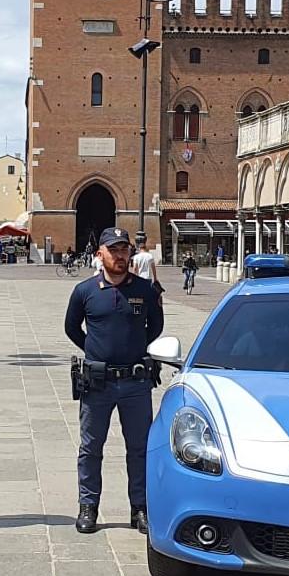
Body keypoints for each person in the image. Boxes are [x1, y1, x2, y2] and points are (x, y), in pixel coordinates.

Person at [64, 227, 165, 534]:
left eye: (125, 250)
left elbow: (156, 328)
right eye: (114, 250)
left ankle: (140, 507)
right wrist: (96, 351)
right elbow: (71, 328)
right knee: (91, 447)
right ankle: (88, 506)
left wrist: (131, 350)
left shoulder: (146, 290)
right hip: (98, 383)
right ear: (100, 254)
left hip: (135, 382)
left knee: (139, 447)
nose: (121, 256)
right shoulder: (85, 291)